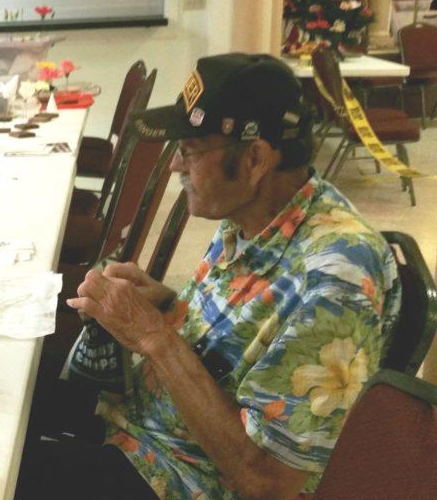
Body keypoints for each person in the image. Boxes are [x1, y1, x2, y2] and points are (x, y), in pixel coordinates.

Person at [58, 54, 400, 499]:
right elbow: (249, 336)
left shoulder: (337, 283)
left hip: (180, 478)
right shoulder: (253, 211)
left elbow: (267, 484)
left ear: (255, 158)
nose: (177, 167)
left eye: (188, 150)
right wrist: (164, 303)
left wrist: (153, 336)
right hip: (140, 427)